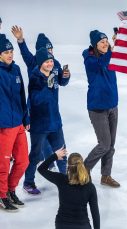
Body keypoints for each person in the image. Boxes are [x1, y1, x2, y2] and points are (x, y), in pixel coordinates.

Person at [11, 26, 69, 170]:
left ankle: (53, 164)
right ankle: (46, 163)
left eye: (51, 49)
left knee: (52, 138)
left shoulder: (55, 64)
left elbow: (62, 81)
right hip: (37, 107)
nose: (50, 53)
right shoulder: (33, 62)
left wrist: (66, 77)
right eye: (47, 50)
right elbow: (24, 53)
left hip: (52, 109)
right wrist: (20, 40)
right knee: (42, 141)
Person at [23, 47, 70, 195]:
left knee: (62, 153)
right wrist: (46, 86)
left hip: (55, 122)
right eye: (47, 61)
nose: (50, 64)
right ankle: (28, 182)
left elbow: (62, 82)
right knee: (36, 155)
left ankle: (66, 180)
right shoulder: (35, 77)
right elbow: (35, 100)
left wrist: (66, 76)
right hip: (40, 125)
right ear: (40, 63)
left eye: (51, 61)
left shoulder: (53, 75)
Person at [82, 30, 120, 188]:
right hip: (97, 108)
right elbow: (102, 63)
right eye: (102, 42)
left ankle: (106, 176)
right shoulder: (89, 59)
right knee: (104, 144)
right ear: (94, 45)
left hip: (113, 106)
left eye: (106, 41)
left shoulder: (110, 54)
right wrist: (113, 50)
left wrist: (119, 41)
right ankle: (83, 169)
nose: (105, 44)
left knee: (110, 146)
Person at [0, 34, 29, 211]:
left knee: (23, 161)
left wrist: (25, 117)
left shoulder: (16, 69)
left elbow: (22, 95)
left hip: (18, 122)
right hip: (3, 125)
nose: (10, 54)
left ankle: (10, 190)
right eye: (6, 52)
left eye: (11, 51)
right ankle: (2, 195)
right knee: (2, 164)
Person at [38, 148, 100, 229]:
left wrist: (55, 156)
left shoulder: (60, 179)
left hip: (62, 225)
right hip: (82, 225)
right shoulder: (90, 187)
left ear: (68, 166)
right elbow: (95, 214)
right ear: (82, 165)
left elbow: (41, 169)